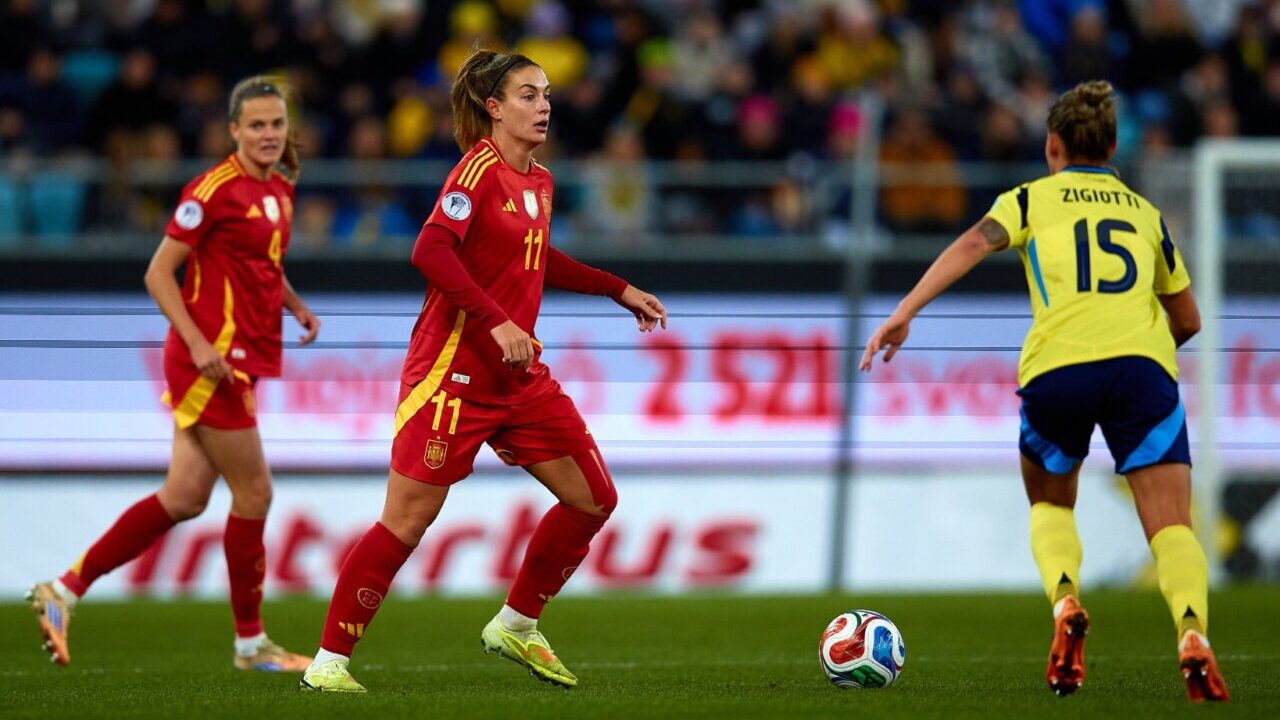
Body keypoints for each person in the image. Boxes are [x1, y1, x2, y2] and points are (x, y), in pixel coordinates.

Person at [298, 49, 668, 694]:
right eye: (528, 95)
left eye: (547, 94)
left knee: (593, 499)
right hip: (453, 375)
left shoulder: (540, 181)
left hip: (518, 378)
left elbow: (537, 255)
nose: (544, 106)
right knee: (407, 521)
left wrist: (617, 288)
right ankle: (328, 662)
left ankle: (517, 625)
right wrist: (497, 321)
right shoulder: (475, 171)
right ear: (494, 108)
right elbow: (431, 250)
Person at [860, 80, 1229, 703]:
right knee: (1172, 526)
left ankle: (1065, 602)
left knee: (1052, 504)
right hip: (1142, 372)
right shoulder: (1145, 214)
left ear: (1052, 145)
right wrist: (1137, 350)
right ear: (1112, 146)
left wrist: (905, 311)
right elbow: (1188, 318)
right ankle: (1192, 632)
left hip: (1058, 370)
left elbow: (975, 242)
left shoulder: (1029, 198)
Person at [27, 76, 319, 673]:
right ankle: (250, 644)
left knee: (184, 497)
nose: (268, 134)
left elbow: (262, 262)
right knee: (255, 493)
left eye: (276, 124)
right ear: (233, 130)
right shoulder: (211, 191)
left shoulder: (279, 188)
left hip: (241, 357)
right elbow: (158, 273)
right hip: (212, 362)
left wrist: (293, 304)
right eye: (256, 125)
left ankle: (63, 590)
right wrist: (198, 341)